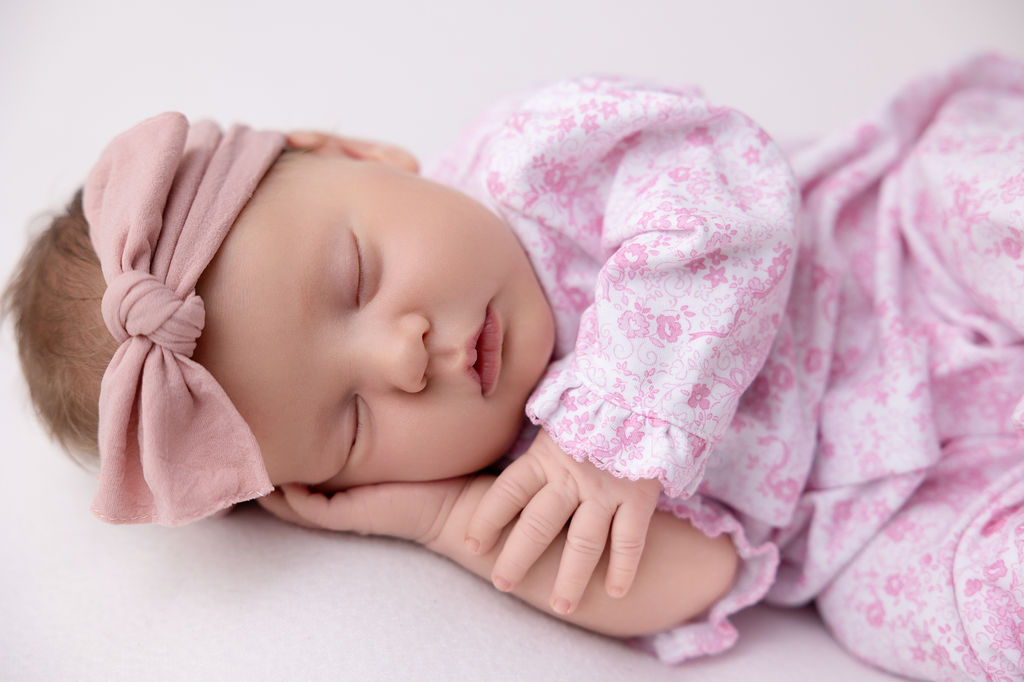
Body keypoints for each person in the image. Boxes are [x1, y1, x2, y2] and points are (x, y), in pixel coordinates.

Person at [5, 53, 1023, 680]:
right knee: (968, 615)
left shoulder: (535, 161)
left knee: (989, 199)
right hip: (876, 516)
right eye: (353, 419)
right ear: (331, 488)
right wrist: (447, 522)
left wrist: (619, 427)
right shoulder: (512, 476)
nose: (401, 356)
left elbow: (724, 184)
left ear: (358, 153)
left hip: (896, 255)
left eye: (355, 275)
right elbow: (703, 575)